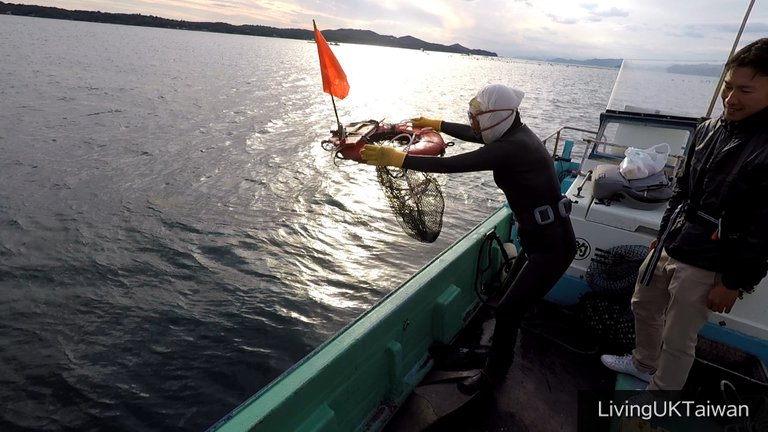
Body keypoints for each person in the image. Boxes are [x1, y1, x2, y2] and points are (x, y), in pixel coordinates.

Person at [359, 83, 577, 394]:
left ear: (498, 116)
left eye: (477, 117)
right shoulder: (513, 134)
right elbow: (476, 135)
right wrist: (438, 124)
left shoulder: (514, 147)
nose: (474, 123)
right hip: (538, 241)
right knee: (506, 301)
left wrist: (399, 158)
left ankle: (494, 377)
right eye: (471, 117)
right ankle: (499, 349)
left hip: (553, 248)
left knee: (507, 310)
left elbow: (452, 165)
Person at [600, 38, 768, 391]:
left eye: (745, 91)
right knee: (642, 305)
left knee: (679, 337)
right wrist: (660, 237)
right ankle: (644, 363)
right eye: (727, 86)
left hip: (711, 260)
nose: (730, 98)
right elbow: (682, 190)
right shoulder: (708, 129)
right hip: (673, 240)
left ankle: (660, 399)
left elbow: (762, 230)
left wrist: (733, 282)